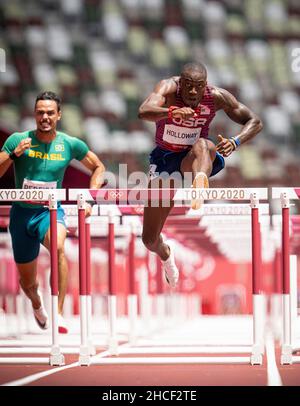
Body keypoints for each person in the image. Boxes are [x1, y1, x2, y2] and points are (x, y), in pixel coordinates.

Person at [138, 62, 263, 288]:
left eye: (198, 86)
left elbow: (255, 121)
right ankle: (166, 254)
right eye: (188, 86)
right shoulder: (167, 88)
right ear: (180, 83)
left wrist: (236, 142)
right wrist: (172, 111)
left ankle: (199, 184)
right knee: (149, 239)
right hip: (165, 159)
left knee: (205, 144)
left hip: (194, 158)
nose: (193, 92)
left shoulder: (216, 97)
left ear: (206, 85)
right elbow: (144, 111)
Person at [0, 91, 105, 333]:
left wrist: (90, 198)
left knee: (58, 247)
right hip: (21, 215)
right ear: (34, 115)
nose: (44, 117)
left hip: (50, 211)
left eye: (49, 113)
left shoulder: (69, 144)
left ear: (59, 115)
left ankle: (58, 313)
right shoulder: (18, 139)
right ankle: (37, 303)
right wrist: (14, 154)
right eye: (40, 113)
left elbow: (98, 166)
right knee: (28, 283)